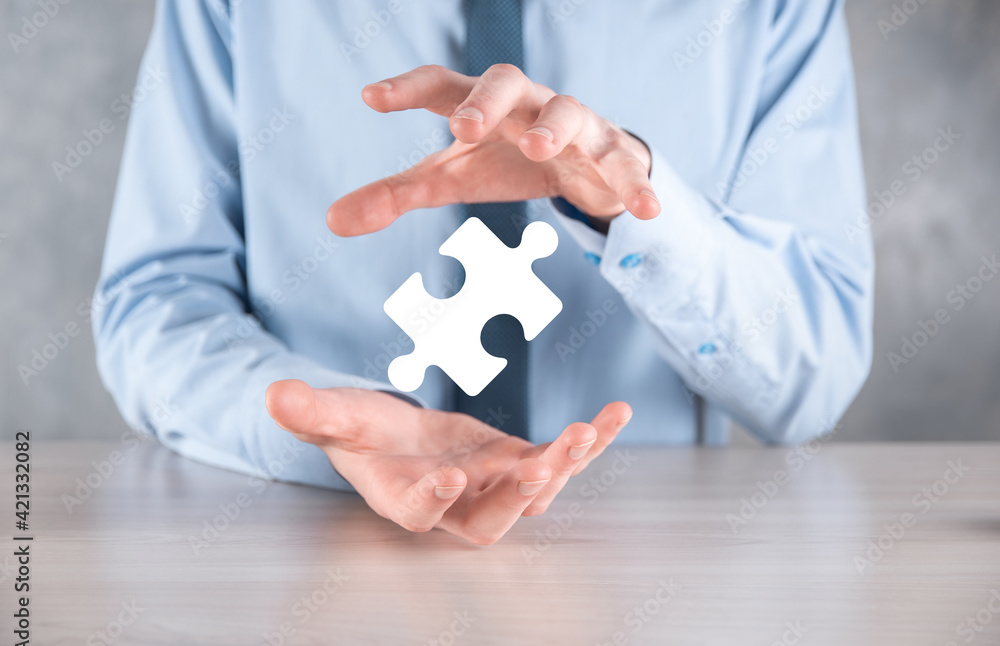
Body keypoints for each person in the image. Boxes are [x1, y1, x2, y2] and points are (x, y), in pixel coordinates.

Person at [93, 0, 873, 545]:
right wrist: (325, 432)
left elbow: (818, 372)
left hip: (645, 568)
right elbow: (156, 304)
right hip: (314, 546)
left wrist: (633, 208)